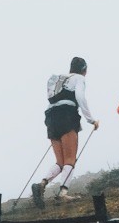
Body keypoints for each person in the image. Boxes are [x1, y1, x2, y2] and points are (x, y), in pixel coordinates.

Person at [32, 58, 99, 207]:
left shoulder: (59, 79)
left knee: (60, 162)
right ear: (84, 69)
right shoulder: (79, 78)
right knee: (70, 159)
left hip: (50, 117)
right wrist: (91, 120)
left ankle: (42, 184)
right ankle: (63, 193)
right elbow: (80, 97)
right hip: (67, 115)